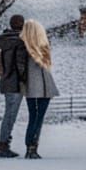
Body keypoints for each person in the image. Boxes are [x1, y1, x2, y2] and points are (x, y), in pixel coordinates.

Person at [20, 19, 59, 159]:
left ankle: (30, 146)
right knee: (38, 117)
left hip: (30, 86)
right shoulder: (41, 46)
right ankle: (32, 147)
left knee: (33, 117)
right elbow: (46, 65)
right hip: (43, 86)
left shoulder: (22, 46)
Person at [0, 13, 28, 158]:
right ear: (22, 25)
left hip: (6, 80)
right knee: (10, 115)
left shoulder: (3, 40)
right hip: (16, 82)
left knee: (9, 114)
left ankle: (4, 145)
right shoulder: (21, 42)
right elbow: (20, 64)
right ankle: (3, 146)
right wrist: (25, 78)